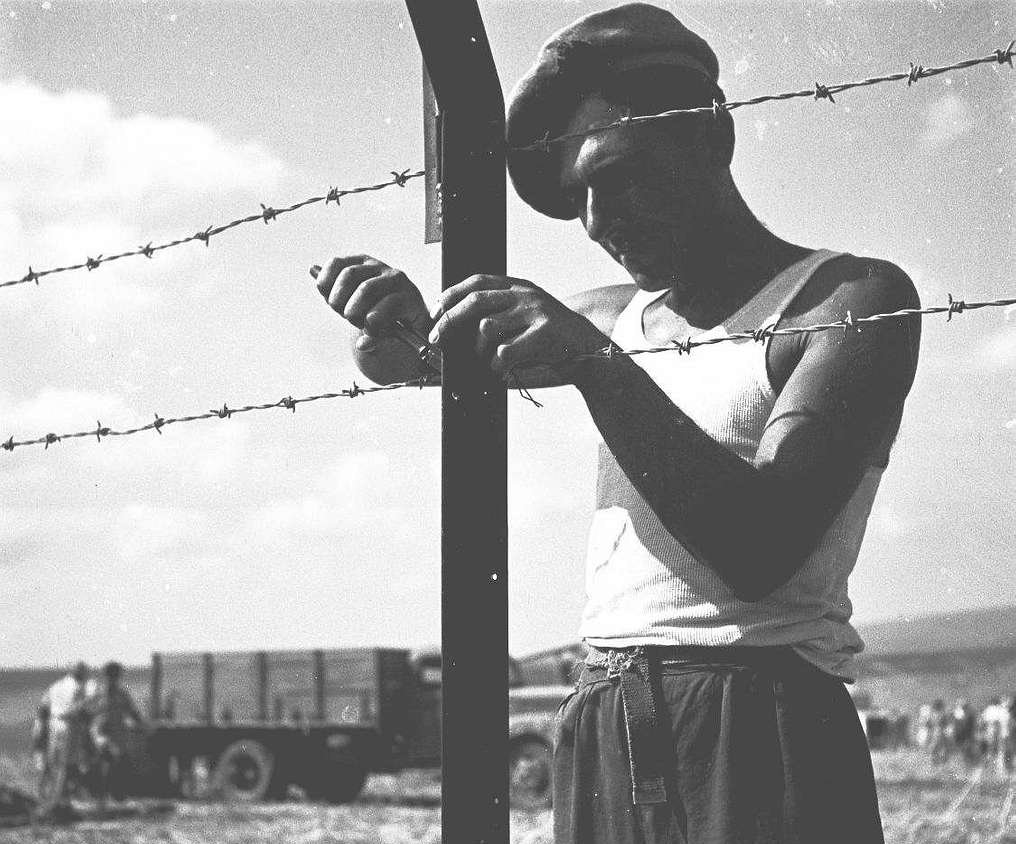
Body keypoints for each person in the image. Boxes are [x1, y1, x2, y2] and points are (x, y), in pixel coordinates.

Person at [311, 4, 920, 841]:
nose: (597, 220)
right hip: (604, 713)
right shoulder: (615, 317)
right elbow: (408, 362)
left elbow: (762, 549)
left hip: (756, 719)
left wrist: (596, 367)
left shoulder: (846, 301)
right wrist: (398, 321)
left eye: (620, 174)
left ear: (709, 135)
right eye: (578, 197)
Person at [33, 661, 96, 814]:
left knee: (54, 763)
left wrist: (40, 732)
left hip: (54, 725)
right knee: (66, 765)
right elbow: (83, 710)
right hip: (70, 726)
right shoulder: (80, 688)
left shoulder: (56, 686)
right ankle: (58, 802)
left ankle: (47, 798)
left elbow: (43, 708)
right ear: (81, 673)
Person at [86, 661, 147, 804]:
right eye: (111, 676)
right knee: (106, 760)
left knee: (120, 763)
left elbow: (132, 711)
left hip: (118, 734)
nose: (113, 679)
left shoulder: (122, 694)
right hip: (102, 733)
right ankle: (102, 795)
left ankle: (117, 795)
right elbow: (87, 711)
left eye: (115, 676)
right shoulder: (98, 693)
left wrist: (142, 724)